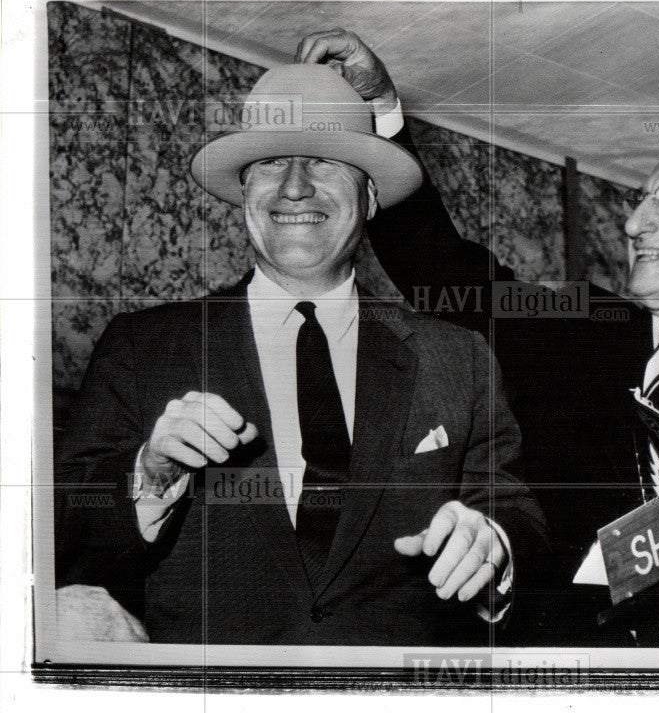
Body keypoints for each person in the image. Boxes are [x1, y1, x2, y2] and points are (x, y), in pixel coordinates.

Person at [293, 28, 659, 646]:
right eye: (638, 201)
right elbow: (440, 267)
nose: (633, 223)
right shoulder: (573, 328)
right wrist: (381, 111)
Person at [54, 63, 547, 645]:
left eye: (322, 160)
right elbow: (57, 535)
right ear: (243, 191)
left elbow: (518, 512)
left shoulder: (457, 357)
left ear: (368, 198)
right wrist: (150, 474)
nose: (294, 186)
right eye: (269, 162)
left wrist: (494, 543)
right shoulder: (144, 346)